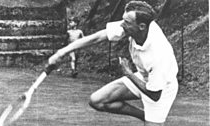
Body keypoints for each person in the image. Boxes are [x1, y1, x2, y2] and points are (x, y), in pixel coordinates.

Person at [48, 1, 178, 126]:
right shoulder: (134, 26)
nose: (122, 25)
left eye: (126, 22)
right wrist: (62, 52)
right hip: (143, 77)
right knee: (97, 100)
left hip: (162, 88)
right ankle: (146, 117)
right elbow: (97, 37)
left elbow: (155, 95)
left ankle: (153, 120)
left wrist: (128, 73)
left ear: (141, 26)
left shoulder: (159, 54)